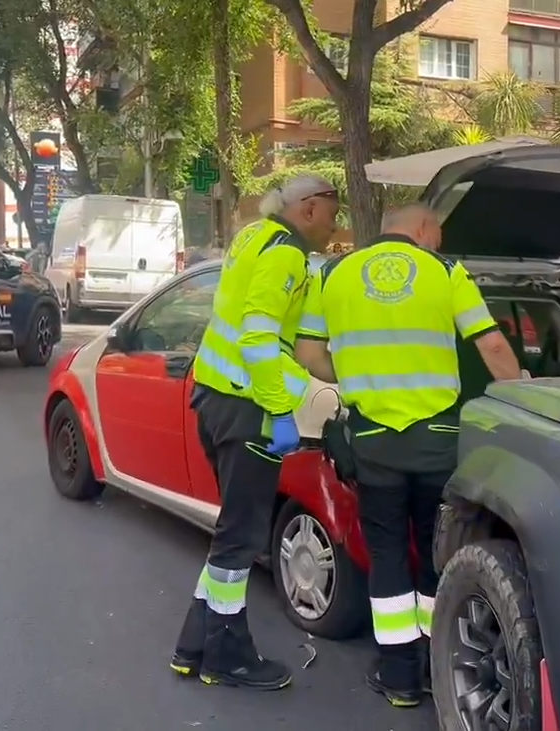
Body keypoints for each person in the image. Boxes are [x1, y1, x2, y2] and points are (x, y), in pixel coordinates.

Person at [294, 204, 522, 708]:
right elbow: (491, 346)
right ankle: (436, 666)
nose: (437, 243)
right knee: (436, 552)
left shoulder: (332, 273)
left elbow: (308, 352)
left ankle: (398, 676)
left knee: (387, 553)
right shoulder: (445, 272)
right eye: (437, 233)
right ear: (421, 228)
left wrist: (353, 375)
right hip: (438, 438)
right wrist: (528, 395)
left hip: (374, 440)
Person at [169, 174, 340, 691]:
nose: (337, 223)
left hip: (216, 400)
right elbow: (260, 336)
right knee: (240, 540)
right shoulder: (286, 254)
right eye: (334, 210)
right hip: (248, 409)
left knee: (232, 534)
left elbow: (297, 346)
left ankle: (194, 646)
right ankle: (229, 656)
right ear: (309, 207)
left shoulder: (254, 236)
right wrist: (280, 412)